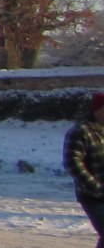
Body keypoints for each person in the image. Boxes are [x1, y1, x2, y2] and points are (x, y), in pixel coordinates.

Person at [68, 92, 104, 248]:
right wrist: (95, 186)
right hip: (92, 195)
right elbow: (72, 163)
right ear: (98, 109)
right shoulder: (81, 131)